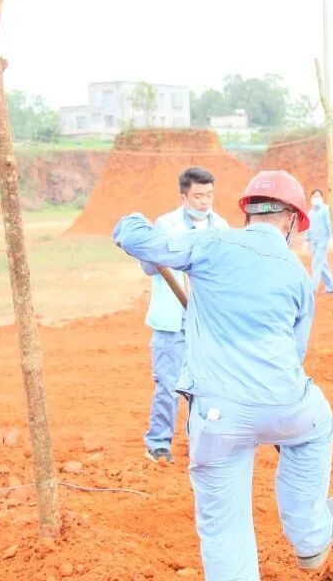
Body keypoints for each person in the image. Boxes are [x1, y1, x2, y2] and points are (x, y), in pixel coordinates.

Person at [113, 169, 333, 579]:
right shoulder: (298, 274)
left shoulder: (211, 243)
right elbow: (296, 354)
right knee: (316, 429)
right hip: (285, 404)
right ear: (291, 221)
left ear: (247, 213)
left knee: (223, 526)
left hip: (216, 415)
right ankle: (311, 535)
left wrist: (132, 220)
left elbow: (136, 239)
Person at [135, 166, 229, 465]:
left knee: (206, 387)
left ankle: (201, 442)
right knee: (168, 385)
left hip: (206, 322)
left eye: (209, 195)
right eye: (198, 196)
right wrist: (155, 250)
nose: (205, 201)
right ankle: (158, 443)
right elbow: (148, 268)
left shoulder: (222, 227)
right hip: (171, 322)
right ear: (184, 197)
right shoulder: (165, 225)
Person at [305, 188, 333, 294]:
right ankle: (331, 287)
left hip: (322, 242)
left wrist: (331, 238)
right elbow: (309, 226)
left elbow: (329, 224)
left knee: (316, 264)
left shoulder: (325, 209)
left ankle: (312, 288)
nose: (316, 198)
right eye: (314, 196)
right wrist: (306, 239)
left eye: (318, 196)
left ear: (322, 198)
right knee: (322, 265)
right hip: (314, 242)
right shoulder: (311, 211)